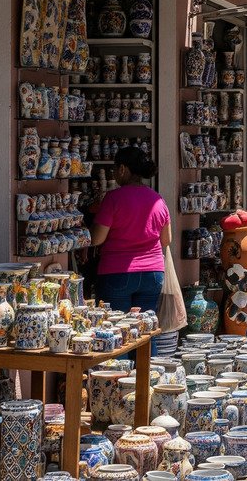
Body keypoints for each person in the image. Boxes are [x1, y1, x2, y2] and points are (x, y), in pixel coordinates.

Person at [90, 147, 170, 352]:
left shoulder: (113, 198)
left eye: (116, 169)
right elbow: (166, 240)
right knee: (144, 332)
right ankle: (146, 378)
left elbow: (97, 239)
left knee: (116, 332)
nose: (115, 174)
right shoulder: (158, 200)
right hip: (153, 273)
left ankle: (117, 380)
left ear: (123, 169)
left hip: (117, 273)